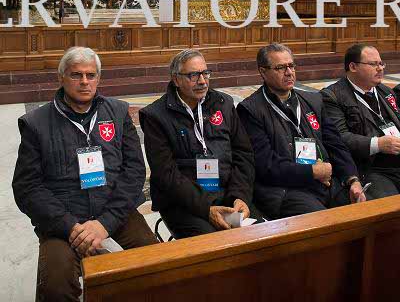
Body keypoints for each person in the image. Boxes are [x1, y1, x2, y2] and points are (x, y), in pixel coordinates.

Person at [13, 46, 157, 302]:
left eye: (91, 75)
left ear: (98, 78)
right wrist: (69, 227)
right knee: (56, 287)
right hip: (63, 221)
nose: (84, 82)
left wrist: (105, 223)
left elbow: (134, 171)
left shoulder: (118, 113)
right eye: (76, 75)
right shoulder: (36, 123)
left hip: (115, 211)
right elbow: (27, 188)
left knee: (158, 264)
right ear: (61, 77)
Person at [139, 49, 262, 239]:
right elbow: (166, 175)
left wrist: (240, 196)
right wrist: (206, 208)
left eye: (205, 73)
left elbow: (243, 154)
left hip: (228, 195)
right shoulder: (156, 116)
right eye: (193, 75)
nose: (202, 81)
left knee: (262, 239)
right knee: (214, 245)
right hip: (184, 204)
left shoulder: (223, 103)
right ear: (176, 79)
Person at [237, 43, 365, 220]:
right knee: (324, 222)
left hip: (326, 182)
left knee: (362, 212)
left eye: (291, 66)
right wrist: (312, 171)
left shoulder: (313, 100)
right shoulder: (250, 110)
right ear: (263, 72)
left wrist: (352, 179)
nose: (289, 72)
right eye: (280, 68)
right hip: (287, 190)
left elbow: (336, 145)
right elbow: (266, 165)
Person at [321, 43, 400, 199]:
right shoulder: (332, 96)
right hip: (370, 169)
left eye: (381, 63)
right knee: (390, 206)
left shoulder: (385, 91)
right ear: (353, 67)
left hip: (396, 160)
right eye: (373, 64)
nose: (380, 68)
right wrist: (378, 144)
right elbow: (339, 138)